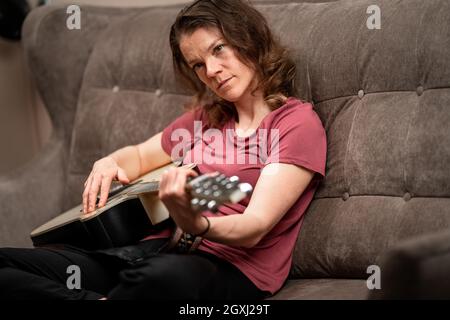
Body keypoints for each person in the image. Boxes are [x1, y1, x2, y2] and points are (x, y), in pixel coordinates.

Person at [0, 0, 326, 300]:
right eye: (198, 64)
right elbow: (140, 157)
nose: (211, 71)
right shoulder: (206, 119)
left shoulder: (294, 123)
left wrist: (199, 224)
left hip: (229, 268)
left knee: (160, 278)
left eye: (219, 49)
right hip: (152, 251)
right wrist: (110, 162)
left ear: (250, 39)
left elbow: (255, 226)